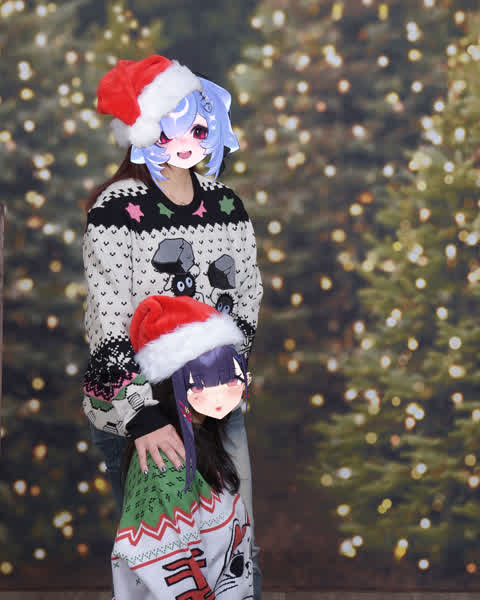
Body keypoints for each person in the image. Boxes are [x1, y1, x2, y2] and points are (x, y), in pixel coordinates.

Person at [82, 55, 263, 597]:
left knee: (235, 551)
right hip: (145, 411)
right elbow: (108, 321)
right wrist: (142, 418)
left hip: (215, 406)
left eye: (197, 129)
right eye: (169, 129)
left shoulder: (226, 205)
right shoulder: (117, 210)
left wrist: (224, 376)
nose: (186, 142)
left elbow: (247, 296)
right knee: (164, 562)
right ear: (145, 133)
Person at [112, 295, 253, 599]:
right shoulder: (166, 465)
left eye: (229, 375)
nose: (223, 388)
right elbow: (170, 575)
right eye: (206, 378)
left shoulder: (205, 444)